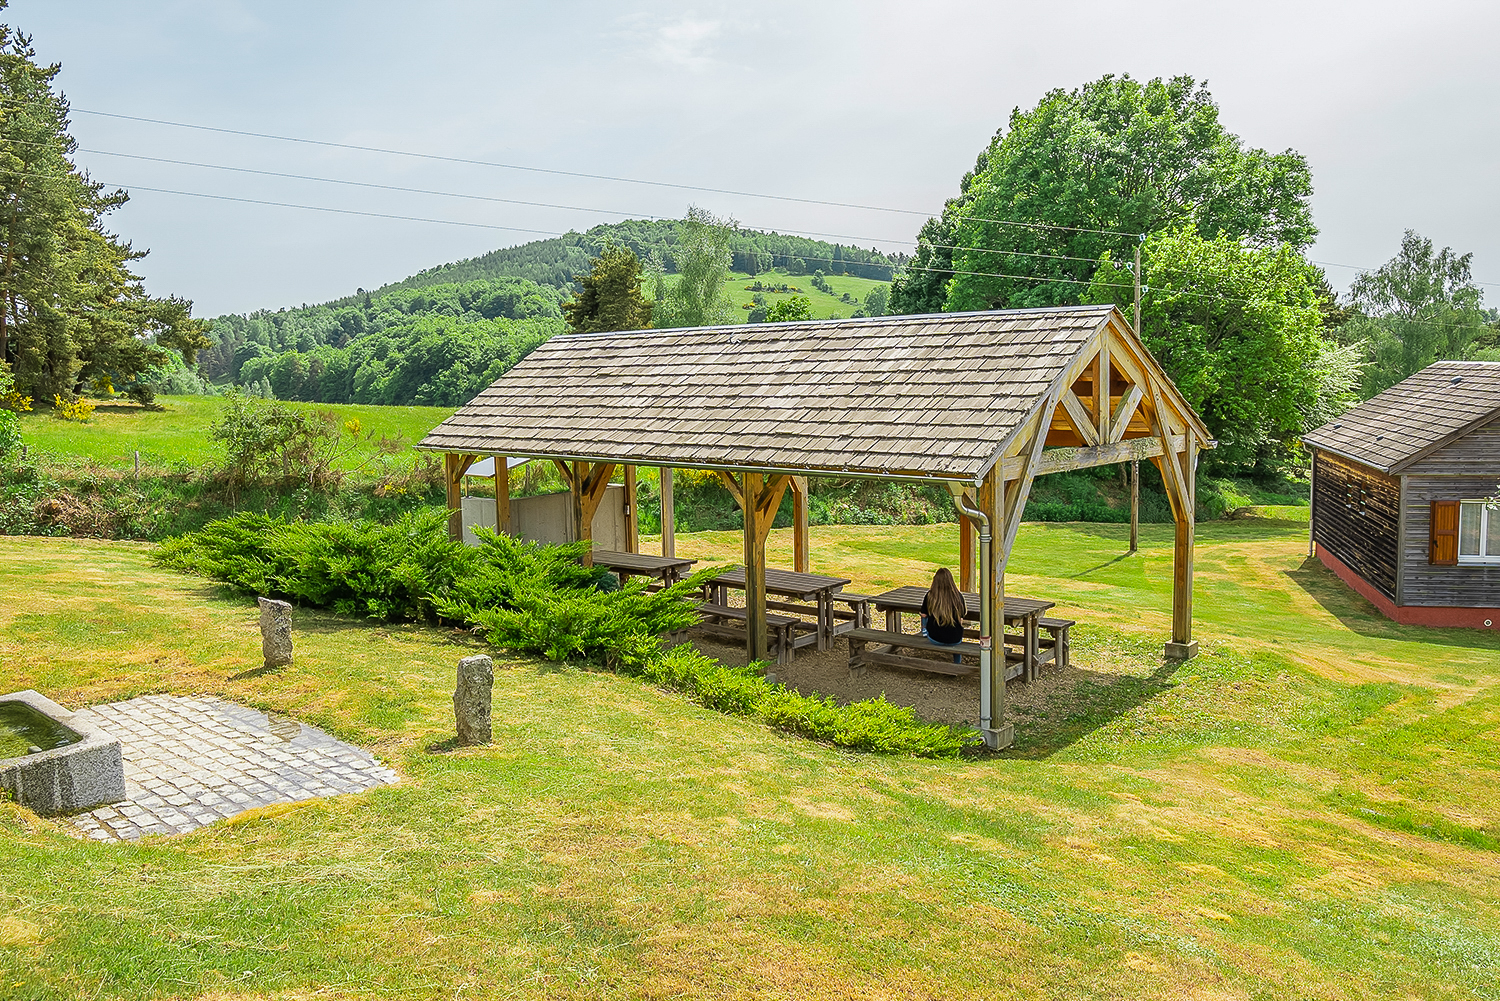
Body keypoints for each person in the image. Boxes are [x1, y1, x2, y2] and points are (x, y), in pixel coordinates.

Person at [921, 567, 967, 662]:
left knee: (924, 615)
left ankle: (924, 632)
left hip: (935, 638)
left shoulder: (930, 595)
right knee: (955, 632)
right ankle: (957, 662)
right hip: (955, 638)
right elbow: (961, 619)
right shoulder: (958, 596)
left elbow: (924, 614)